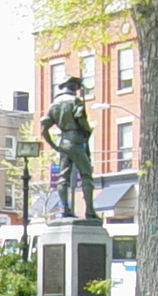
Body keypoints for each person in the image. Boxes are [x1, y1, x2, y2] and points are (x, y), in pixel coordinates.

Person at [40, 75, 95, 220]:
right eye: (77, 87)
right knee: (86, 175)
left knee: (62, 177)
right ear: (73, 87)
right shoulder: (75, 101)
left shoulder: (54, 104)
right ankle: (90, 211)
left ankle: (65, 209)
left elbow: (43, 130)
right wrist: (87, 131)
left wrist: (54, 146)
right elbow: (81, 120)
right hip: (76, 140)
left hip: (63, 142)